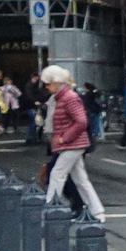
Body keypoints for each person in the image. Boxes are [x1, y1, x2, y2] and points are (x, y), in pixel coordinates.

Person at [41, 65, 104, 221]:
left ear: (56, 82)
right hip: (74, 143)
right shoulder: (66, 96)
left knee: (57, 174)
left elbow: (81, 121)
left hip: (72, 144)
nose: (47, 87)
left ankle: (50, 208)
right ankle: (97, 212)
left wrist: (64, 138)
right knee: (80, 179)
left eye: (48, 83)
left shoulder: (67, 97)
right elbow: (80, 121)